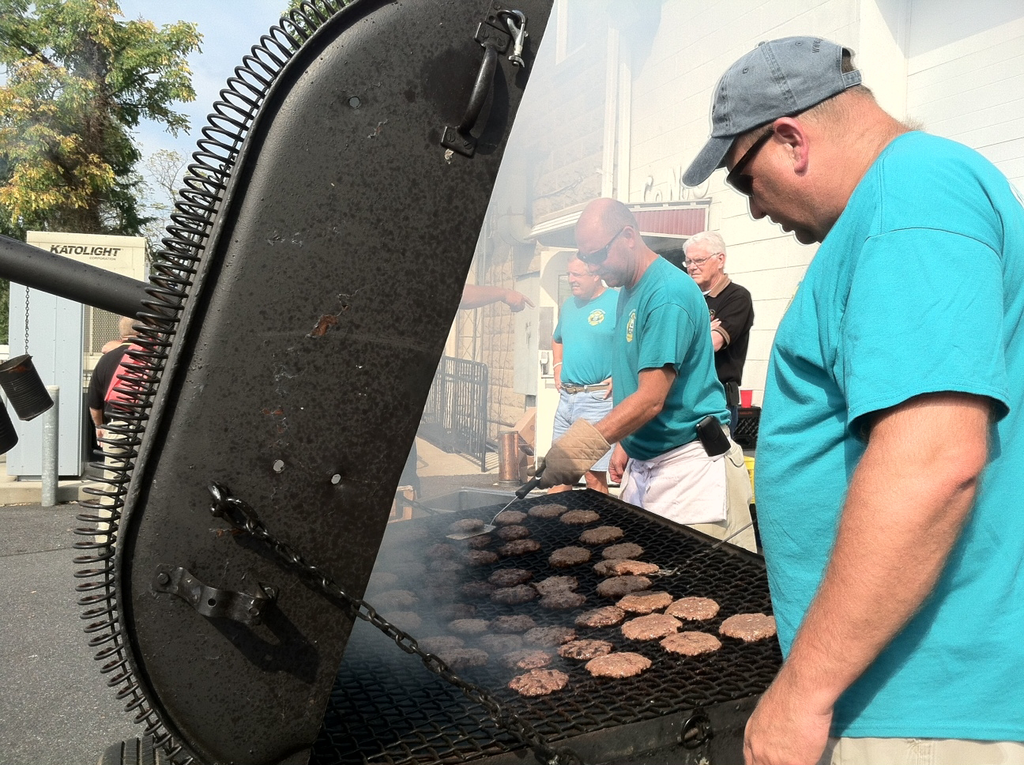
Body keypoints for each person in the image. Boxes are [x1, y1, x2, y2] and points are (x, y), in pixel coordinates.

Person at [683, 36, 1024, 765]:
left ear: (790, 139)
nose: (751, 209)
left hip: (928, 711)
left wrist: (804, 690)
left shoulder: (913, 194)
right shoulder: (899, 201)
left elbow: (934, 460)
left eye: (744, 179)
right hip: (905, 696)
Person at [536, 198, 756, 551]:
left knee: (701, 587)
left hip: (691, 468)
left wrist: (577, 451)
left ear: (627, 236)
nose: (592, 266)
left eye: (597, 255)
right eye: (586, 257)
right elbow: (635, 381)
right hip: (648, 464)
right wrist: (627, 441)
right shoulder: (628, 289)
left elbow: (651, 398)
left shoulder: (666, 293)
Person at [549, 254, 617, 493]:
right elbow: (557, 339)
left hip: (597, 400)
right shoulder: (568, 305)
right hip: (567, 398)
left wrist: (621, 374)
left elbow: (637, 343)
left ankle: (603, 529)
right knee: (559, 472)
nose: (570, 280)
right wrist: (558, 366)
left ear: (596, 274)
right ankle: (547, 529)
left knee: (593, 477)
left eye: (576, 275)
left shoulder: (617, 301)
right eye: (569, 274)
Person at [682, 231, 754, 431]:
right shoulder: (685, 298)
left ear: (720, 259)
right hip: (681, 396)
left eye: (699, 260)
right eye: (688, 261)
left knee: (713, 460)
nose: (692, 267)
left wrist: (687, 336)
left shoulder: (737, 297)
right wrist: (702, 331)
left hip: (716, 400)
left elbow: (713, 343)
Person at [88, 315, 140, 437]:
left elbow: (94, 403)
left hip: (116, 430)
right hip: (146, 426)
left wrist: (99, 426)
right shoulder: (151, 355)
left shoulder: (105, 359)